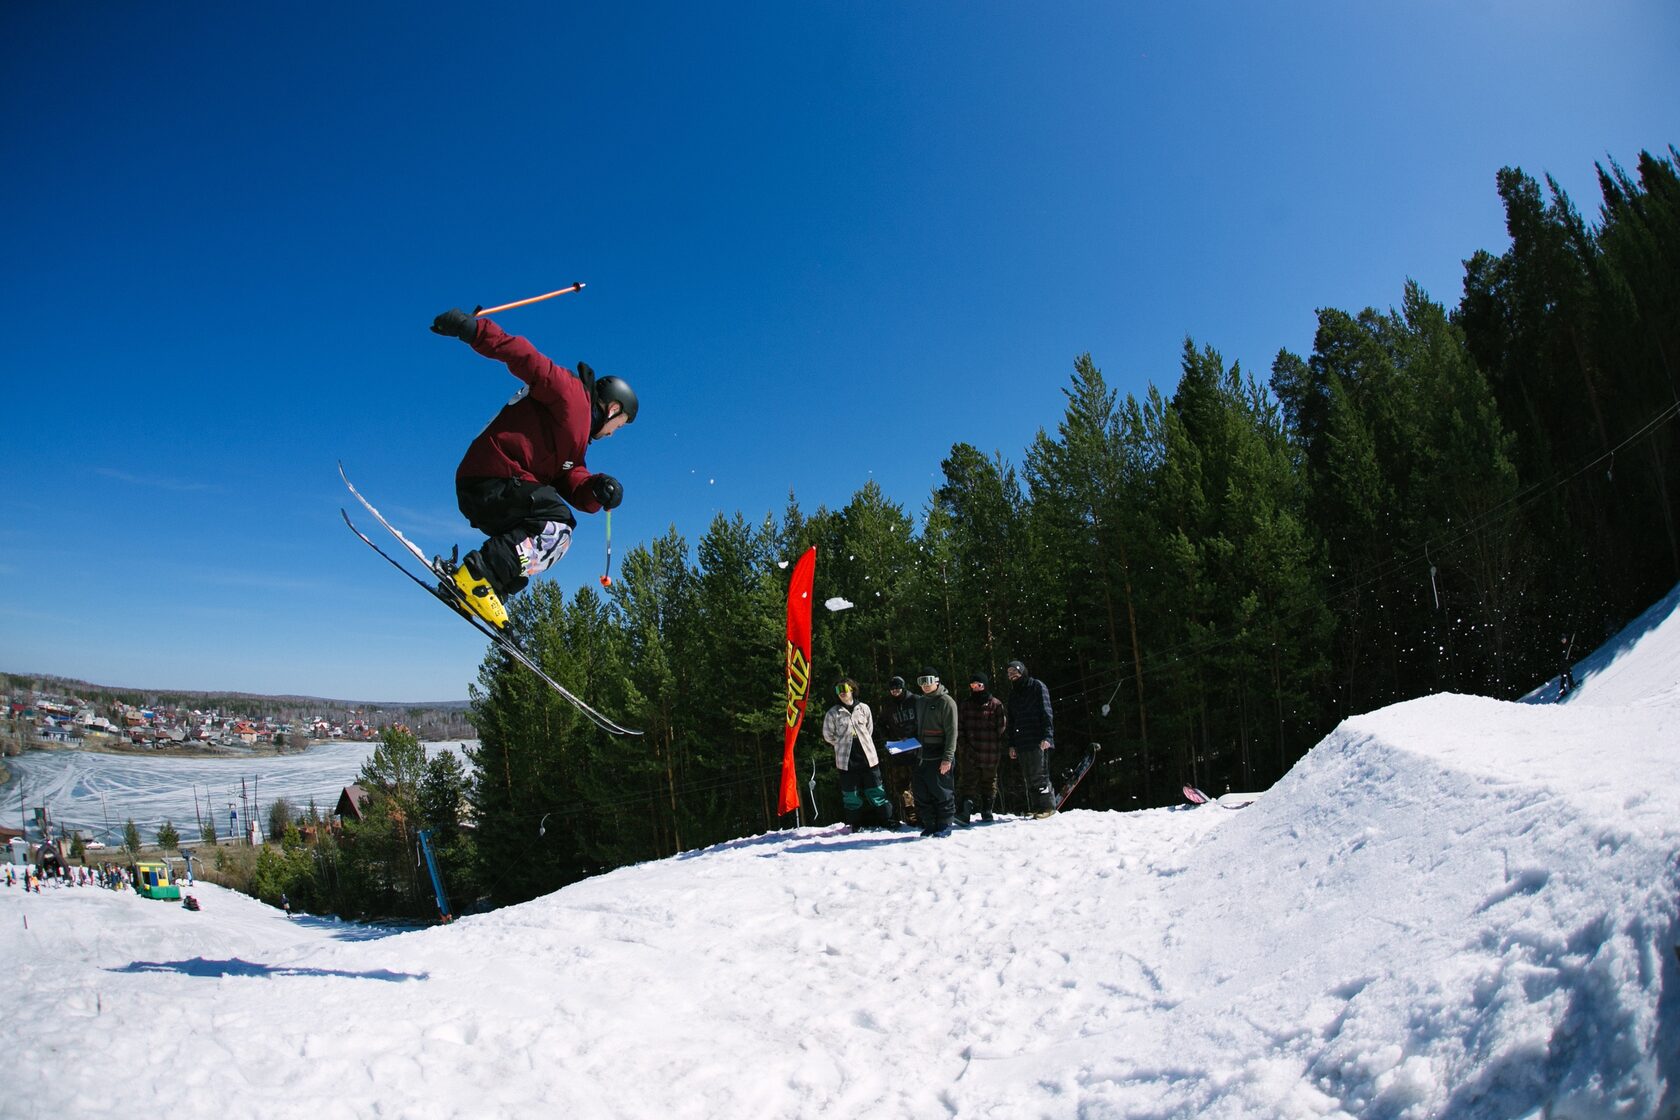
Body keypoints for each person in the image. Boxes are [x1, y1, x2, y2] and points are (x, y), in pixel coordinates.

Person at [429, 307, 638, 629]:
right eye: (619, 425)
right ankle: (479, 574)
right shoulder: (571, 395)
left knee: (554, 532)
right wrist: (473, 330)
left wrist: (597, 488)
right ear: (613, 408)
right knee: (555, 524)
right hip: (493, 476)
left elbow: (571, 476)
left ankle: (484, 587)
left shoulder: (575, 441)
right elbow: (527, 358)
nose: (613, 433)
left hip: (497, 487)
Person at [820, 678, 894, 829]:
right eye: (838, 691)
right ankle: (856, 824)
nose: (842, 693)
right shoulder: (833, 713)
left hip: (867, 757)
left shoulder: (864, 708)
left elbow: (869, 728)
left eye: (844, 689)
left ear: (852, 689)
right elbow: (828, 735)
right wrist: (842, 744)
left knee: (876, 791)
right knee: (851, 795)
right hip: (846, 760)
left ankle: (887, 820)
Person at [911, 667, 959, 837]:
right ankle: (930, 823)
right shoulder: (921, 701)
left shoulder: (946, 702)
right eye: (921, 681)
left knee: (942, 791)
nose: (924, 685)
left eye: (928, 681)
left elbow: (952, 733)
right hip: (923, 754)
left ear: (937, 681)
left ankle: (945, 824)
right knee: (922, 791)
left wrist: (947, 758)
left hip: (940, 754)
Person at [1005, 659, 1057, 817]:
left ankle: (1047, 807)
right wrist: (1012, 744)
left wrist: (1047, 736)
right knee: (1028, 776)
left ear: (1022, 671)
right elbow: (1012, 721)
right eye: (1009, 673)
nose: (1012, 675)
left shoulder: (1036, 686)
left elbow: (1046, 712)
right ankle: (1036, 807)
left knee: (1039, 775)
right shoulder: (1013, 694)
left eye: (1015, 671)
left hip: (1038, 739)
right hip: (1022, 741)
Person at [956, 672, 1008, 824]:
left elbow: (1002, 728)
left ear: (984, 686)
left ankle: (987, 811)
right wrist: (964, 747)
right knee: (968, 782)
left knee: (989, 781)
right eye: (972, 686)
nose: (976, 689)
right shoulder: (965, 705)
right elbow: (959, 729)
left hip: (990, 752)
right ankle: (965, 813)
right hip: (970, 752)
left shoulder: (996, 705)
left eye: (979, 685)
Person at [877, 676, 922, 826]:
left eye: (898, 688)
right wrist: (890, 738)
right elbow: (881, 724)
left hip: (918, 749)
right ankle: (912, 816)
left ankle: (925, 814)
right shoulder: (888, 706)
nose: (895, 691)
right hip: (899, 750)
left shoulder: (916, 700)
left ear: (903, 687)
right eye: (892, 689)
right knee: (903, 787)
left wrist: (921, 736)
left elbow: (927, 718)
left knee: (921, 783)